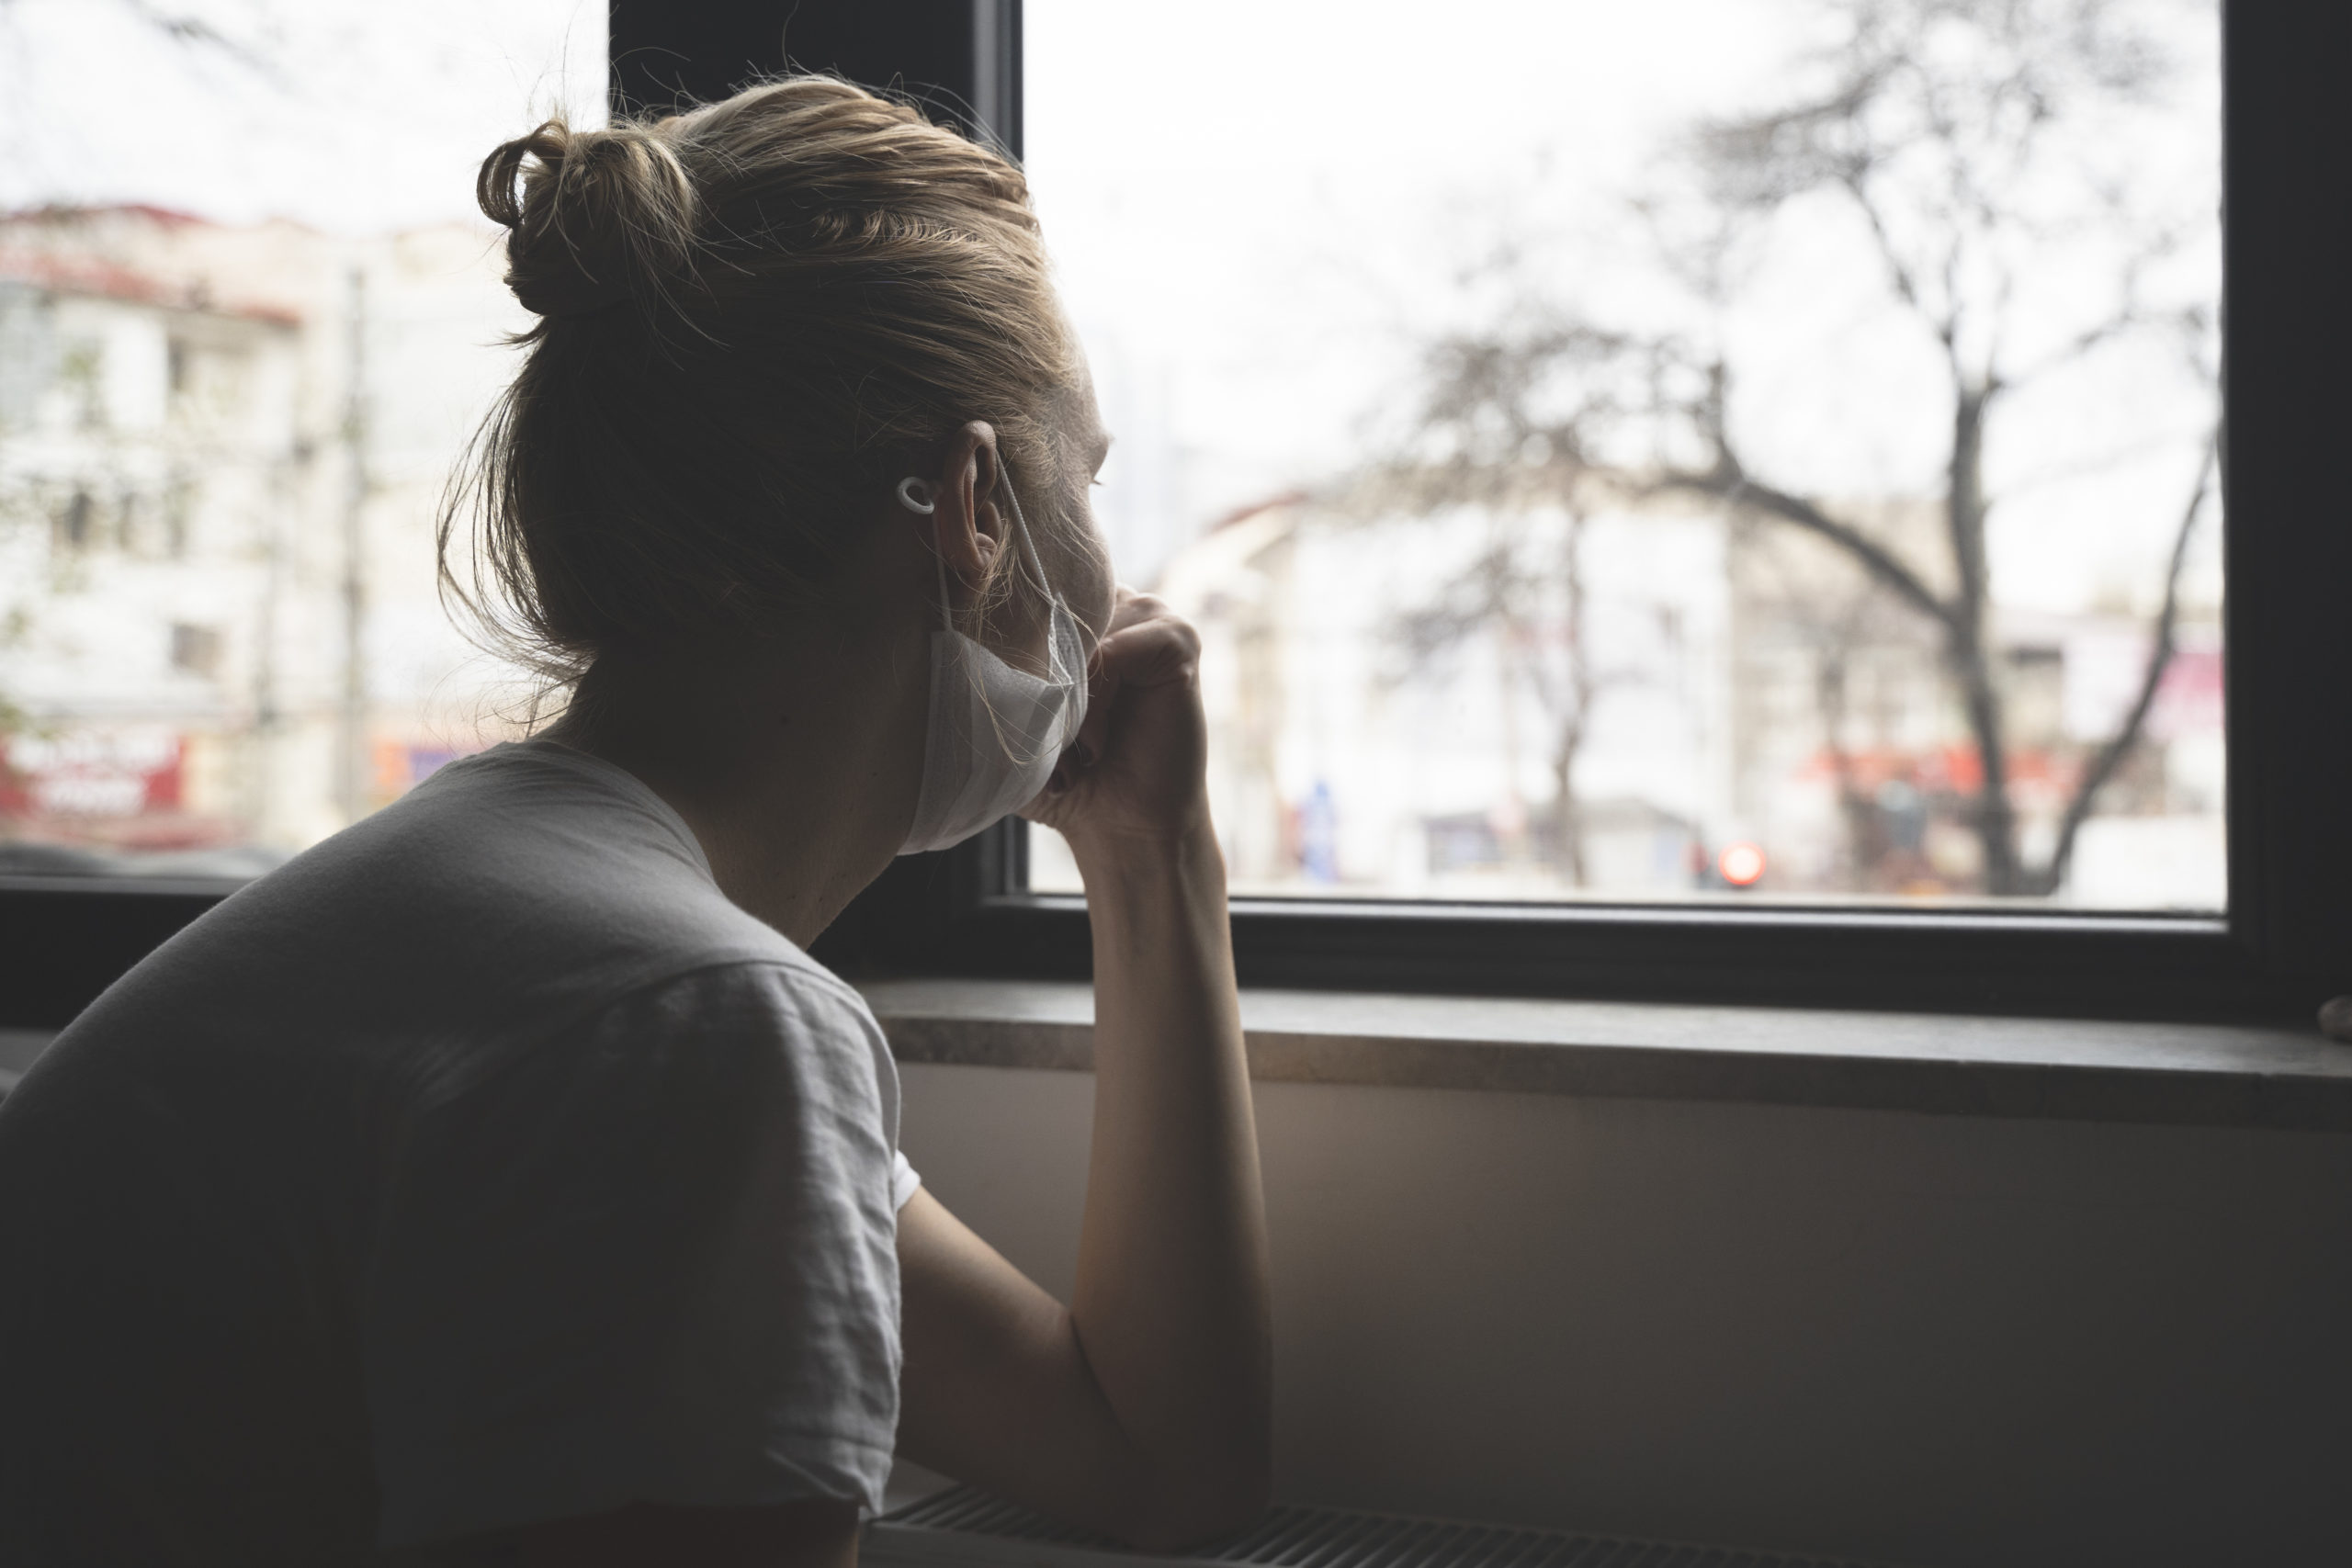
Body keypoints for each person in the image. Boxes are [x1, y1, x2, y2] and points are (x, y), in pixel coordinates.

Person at [0, 77, 1272, 1566]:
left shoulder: (528, 930)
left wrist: (1150, 857)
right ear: (972, 508)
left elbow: (1146, 1462)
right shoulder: (684, 1020)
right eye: (1090, 477)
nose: (1116, 573)